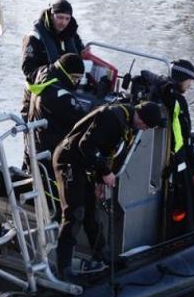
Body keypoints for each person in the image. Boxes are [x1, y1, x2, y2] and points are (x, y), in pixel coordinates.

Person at [52, 101, 163, 281]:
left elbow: (106, 151)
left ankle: (101, 253)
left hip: (85, 164)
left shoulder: (129, 124)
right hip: (69, 161)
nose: (143, 127)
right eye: (144, 123)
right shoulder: (112, 117)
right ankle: (63, 267)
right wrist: (104, 172)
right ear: (139, 116)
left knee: (91, 211)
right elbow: (86, 145)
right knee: (75, 212)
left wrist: (99, 180)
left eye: (147, 126)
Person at [134, 59, 194, 239]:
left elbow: (146, 74)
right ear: (182, 79)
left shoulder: (160, 90)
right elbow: (181, 132)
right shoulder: (176, 100)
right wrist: (182, 159)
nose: (189, 85)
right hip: (176, 159)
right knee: (183, 199)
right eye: (189, 81)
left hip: (169, 154)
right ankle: (182, 235)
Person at [23, 53, 88, 174]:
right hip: (50, 152)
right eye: (75, 78)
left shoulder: (42, 72)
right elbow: (83, 119)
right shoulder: (60, 95)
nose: (77, 83)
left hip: (33, 143)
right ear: (64, 73)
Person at [21, 0, 85, 115]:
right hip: (38, 96)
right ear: (51, 15)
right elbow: (28, 69)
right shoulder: (34, 37)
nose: (63, 23)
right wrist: (54, 71)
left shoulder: (71, 34)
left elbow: (79, 52)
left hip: (64, 91)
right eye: (60, 17)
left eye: (67, 18)